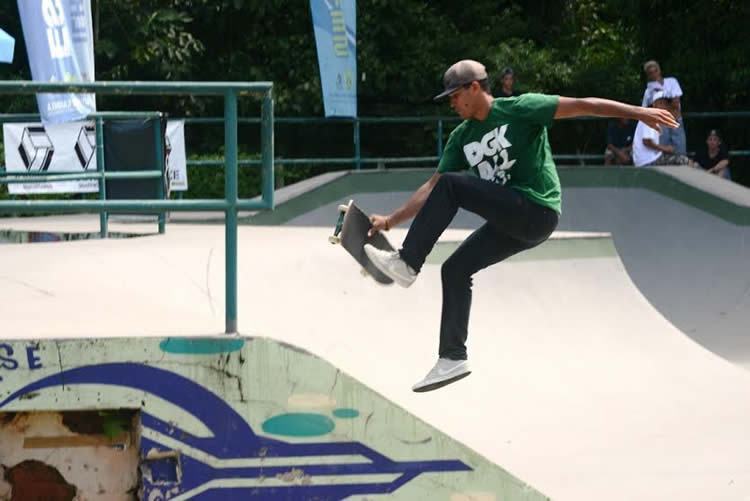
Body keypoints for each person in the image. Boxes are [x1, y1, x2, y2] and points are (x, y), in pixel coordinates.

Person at [363, 59, 677, 393]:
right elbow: (432, 188)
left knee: (454, 186)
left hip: (538, 209)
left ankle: (409, 263)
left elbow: (585, 105)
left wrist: (639, 112)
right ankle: (452, 357)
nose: (452, 104)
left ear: (474, 88)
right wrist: (391, 220)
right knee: (454, 269)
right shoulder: (461, 137)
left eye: (454, 96)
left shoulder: (522, 108)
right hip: (510, 220)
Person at [632, 90, 693, 167]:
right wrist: (665, 148)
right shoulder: (650, 116)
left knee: (685, 162)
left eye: (666, 103)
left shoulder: (654, 117)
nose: (664, 106)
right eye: (661, 103)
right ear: (654, 104)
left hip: (652, 159)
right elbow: (647, 141)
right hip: (648, 161)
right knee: (685, 161)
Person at [642, 60, 687, 155]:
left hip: (675, 120)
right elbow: (645, 110)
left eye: (656, 71)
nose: (654, 74)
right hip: (660, 123)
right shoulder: (648, 91)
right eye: (651, 73)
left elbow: (676, 103)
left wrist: (663, 103)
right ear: (648, 75)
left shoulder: (672, 81)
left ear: (659, 70)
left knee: (680, 152)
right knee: (664, 153)